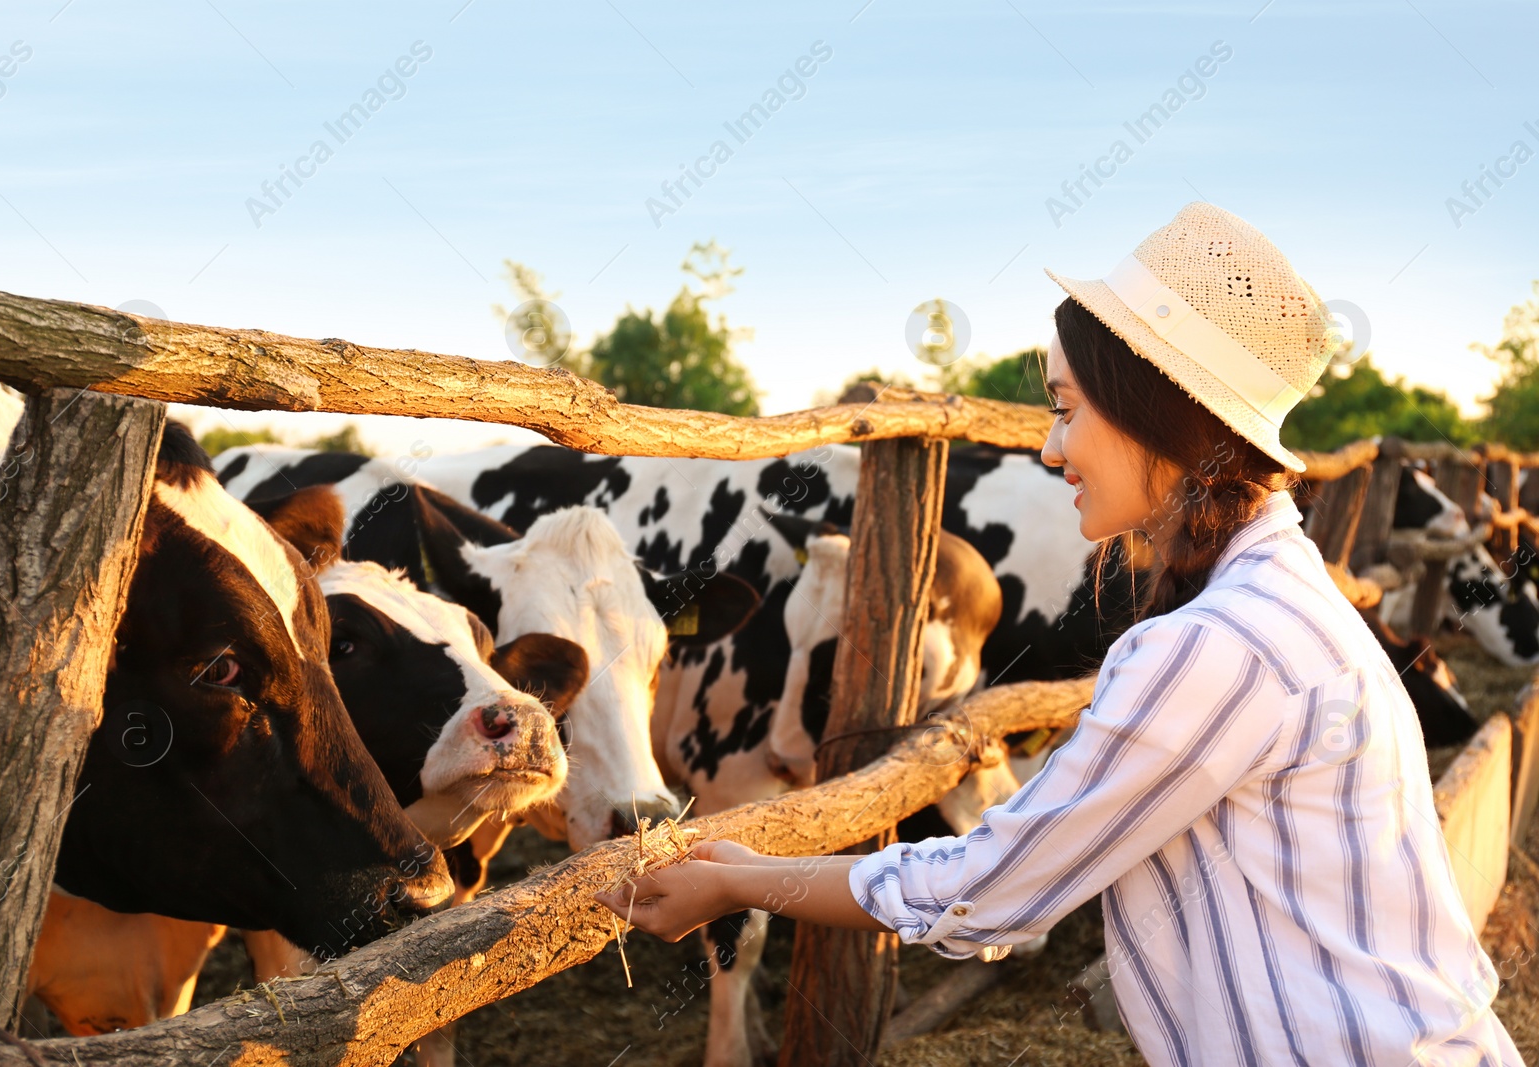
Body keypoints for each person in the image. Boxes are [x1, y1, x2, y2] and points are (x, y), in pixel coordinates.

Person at [596, 202, 1525, 1065]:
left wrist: (742, 880)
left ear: (1161, 413)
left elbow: (992, 887)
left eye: (1068, 407)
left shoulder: (1219, 643)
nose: (1048, 447)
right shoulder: (1284, 598)